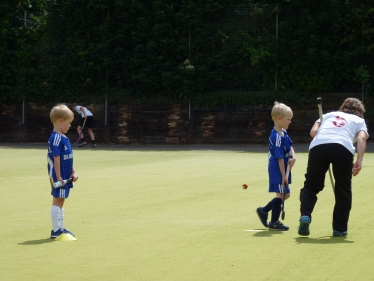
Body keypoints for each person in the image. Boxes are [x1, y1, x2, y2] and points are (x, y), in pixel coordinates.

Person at [298, 98, 368, 237]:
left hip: (318, 146)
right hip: (343, 148)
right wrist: (359, 159)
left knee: (311, 186)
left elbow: (313, 133)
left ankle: (305, 215)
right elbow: (361, 139)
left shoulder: (328, 115)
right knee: (343, 189)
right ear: (359, 111)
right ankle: (339, 229)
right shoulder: (359, 121)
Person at [256, 102, 296, 230]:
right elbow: (279, 158)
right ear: (278, 119)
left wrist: (293, 157)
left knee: (286, 195)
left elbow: (290, 145)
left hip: (285, 166)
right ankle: (274, 222)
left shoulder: (283, 132)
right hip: (278, 168)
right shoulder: (275, 137)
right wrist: (283, 176)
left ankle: (264, 210)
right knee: (280, 194)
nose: (289, 122)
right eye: (288, 119)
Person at [47, 104, 79, 238]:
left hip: (66, 174)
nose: (70, 126)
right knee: (57, 199)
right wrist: (58, 176)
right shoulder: (56, 138)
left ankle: (60, 227)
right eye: (69, 123)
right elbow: (56, 158)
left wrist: (73, 171)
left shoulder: (64, 138)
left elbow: (69, 157)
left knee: (62, 199)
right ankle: (56, 230)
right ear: (60, 121)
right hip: (58, 175)